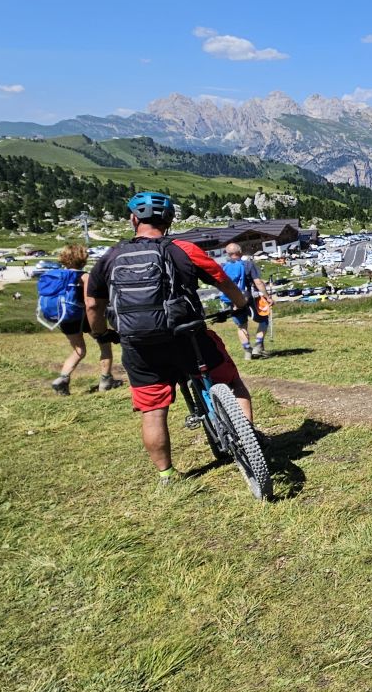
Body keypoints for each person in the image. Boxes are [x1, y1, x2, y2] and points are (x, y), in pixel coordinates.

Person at [85, 192, 255, 485]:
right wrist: (240, 305)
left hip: (139, 345)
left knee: (153, 411)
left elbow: (92, 305)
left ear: (134, 219)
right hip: (188, 337)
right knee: (231, 382)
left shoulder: (110, 256)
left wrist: (101, 332)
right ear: (169, 221)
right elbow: (223, 281)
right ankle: (251, 442)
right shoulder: (183, 249)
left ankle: (167, 474)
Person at [49, 243, 121, 395]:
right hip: (85, 317)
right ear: (83, 258)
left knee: (79, 350)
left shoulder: (58, 276)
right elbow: (90, 303)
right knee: (104, 344)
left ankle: (62, 379)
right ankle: (105, 381)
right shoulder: (85, 276)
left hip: (66, 318)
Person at [220, 242, 271, 359]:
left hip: (232, 299)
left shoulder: (223, 267)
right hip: (249, 298)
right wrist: (267, 297)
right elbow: (258, 282)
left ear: (227, 253)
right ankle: (258, 346)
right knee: (264, 320)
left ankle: (248, 352)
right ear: (240, 252)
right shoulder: (248, 264)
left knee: (242, 326)